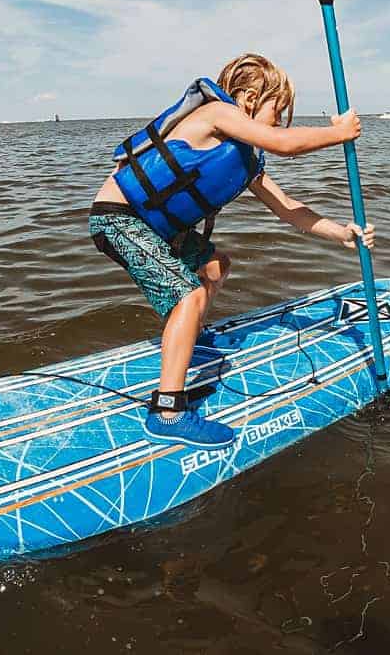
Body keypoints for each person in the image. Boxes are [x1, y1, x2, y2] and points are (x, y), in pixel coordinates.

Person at [89, 53, 375, 449]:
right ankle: (167, 412)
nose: (279, 122)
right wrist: (338, 133)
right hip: (118, 219)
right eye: (278, 110)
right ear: (251, 97)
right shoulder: (216, 114)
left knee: (215, 265)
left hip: (152, 226)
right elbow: (282, 145)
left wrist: (342, 233)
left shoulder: (244, 157)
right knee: (187, 293)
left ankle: (192, 338)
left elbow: (288, 209)